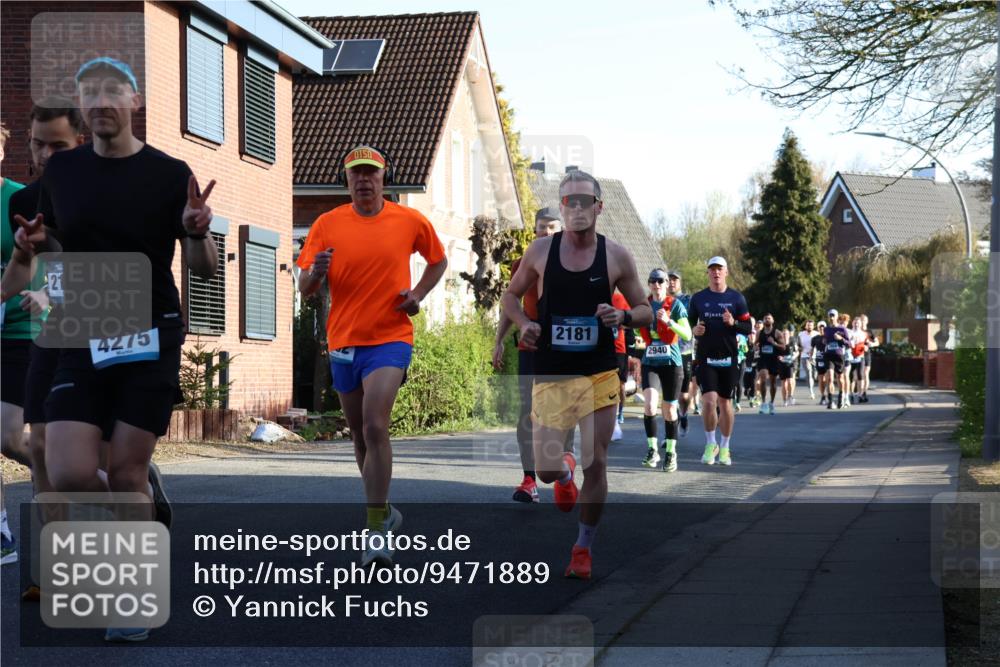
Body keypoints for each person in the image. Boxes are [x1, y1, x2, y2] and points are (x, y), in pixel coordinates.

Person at [12, 58, 217, 642]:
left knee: (124, 466)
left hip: (151, 328)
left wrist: (198, 232)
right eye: (90, 93)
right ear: (82, 107)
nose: (101, 102)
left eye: (112, 92)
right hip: (85, 321)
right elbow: (55, 246)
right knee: (69, 468)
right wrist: (35, 246)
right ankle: (142, 505)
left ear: (134, 101)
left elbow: (202, 270)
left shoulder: (169, 172)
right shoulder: (65, 172)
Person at [297, 145, 447, 567]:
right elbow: (304, 286)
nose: (364, 180)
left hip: (391, 338)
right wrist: (317, 273)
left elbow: (438, 261)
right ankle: (384, 510)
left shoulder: (408, 220)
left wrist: (417, 294)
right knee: (361, 438)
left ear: (384, 178)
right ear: (346, 180)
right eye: (356, 174)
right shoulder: (327, 224)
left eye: (372, 173)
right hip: (344, 341)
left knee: (375, 423)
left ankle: (375, 528)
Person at [502, 169, 651, 580]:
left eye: (585, 201)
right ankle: (563, 472)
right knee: (547, 470)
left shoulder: (617, 255)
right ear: (563, 208)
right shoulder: (540, 251)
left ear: (599, 207)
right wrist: (524, 324)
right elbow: (511, 296)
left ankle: (582, 547)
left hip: (598, 373)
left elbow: (646, 311)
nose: (577, 208)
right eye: (570, 201)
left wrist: (621, 315)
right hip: (552, 374)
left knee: (596, 461)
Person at [1, 98, 86, 581]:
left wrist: (48, 291)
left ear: (80, 144)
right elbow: (24, 266)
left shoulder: (101, 196)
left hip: (98, 331)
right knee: (37, 447)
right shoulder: (22, 203)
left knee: (102, 460)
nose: (47, 155)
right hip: (41, 338)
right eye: (39, 145)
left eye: (58, 145)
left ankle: (133, 486)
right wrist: (25, 281)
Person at [492, 207, 571, 502]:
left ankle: (565, 467)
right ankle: (529, 480)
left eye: (552, 227)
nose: (546, 233)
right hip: (530, 346)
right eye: (542, 227)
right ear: (534, 231)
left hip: (563, 348)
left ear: (561, 230)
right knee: (526, 413)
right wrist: (499, 340)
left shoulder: (574, 264)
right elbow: (510, 303)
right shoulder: (522, 264)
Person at [688, 256, 752, 466]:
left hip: (730, 358)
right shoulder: (698, 298)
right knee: (708, 401)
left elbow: (748, 328)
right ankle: (710, 443)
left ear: (726, 272)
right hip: (706, 358)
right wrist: (694, 330)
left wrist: (733, 323)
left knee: (725, 403)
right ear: (708, 273)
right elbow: (687, 326)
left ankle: (725, 447)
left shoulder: (737, 298)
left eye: (719, 269)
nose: (716, 273)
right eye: (712, 269)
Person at [0, 120, 28, 565]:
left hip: (21, 332)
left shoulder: (18, 200)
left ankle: (109, 478)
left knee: (8, 437)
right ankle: (3, 534)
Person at [636, 268, 691, 472]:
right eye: (653, 281)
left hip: (671, 364)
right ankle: (652, 450)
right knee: (650, 405)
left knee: (668, 409)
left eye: (660, 281)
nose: (656, 285)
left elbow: (686, 333)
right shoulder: (645, 305)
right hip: (650, 361)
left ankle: (670, 451)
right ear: (649, 284)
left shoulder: (675, 305)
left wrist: (669, 322)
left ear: (667, 284)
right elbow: (635, 327)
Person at [666, 269, 694, 437]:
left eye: (674, 279)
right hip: (667, 351)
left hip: (684, 351)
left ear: (680, 282)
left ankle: (683, 415)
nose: (671, 282)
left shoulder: (687, 300)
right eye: (668, 279)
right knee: (670, 395)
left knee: (683, 396)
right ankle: (670, 432)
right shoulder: (662, 300)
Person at [755, 313, 784, 415]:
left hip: (773, 360)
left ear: (773, 321)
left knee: (773, 382)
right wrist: (755, 347)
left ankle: (771, 403)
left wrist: (774, 343)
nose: (767, 320)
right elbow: (755, 344)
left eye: (769, 318)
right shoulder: (759, 333)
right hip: (763, 359)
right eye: (765, 318)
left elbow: (783, 347)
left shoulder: (777, 333)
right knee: (763, 377)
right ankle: (763, 403)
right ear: (763, 321)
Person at [822, 309, 851, 409]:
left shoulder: (842, 329)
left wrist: (840, 339)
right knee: (829, 377)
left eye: (833, 315)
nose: (831, 317)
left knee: (840, 378)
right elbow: (825, 340)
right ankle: (831, 401)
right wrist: (824, 341)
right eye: (830, 315)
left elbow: (849, 344)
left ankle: (841, 397)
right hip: (829, 355)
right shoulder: (826, 329)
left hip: (839, 356)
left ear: (837, 316)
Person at [859, 314, 878, 402]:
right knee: (859, 375)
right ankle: (859, 392)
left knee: (866, 374)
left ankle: (864, 392)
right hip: (858, 355)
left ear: (867, 321)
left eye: (864, 320)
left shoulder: (869, 332)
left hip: (867, 355)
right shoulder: (857, 331)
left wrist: (871, 344)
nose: (863, 322)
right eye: (861, 320)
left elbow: (877, 342)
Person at [849, 316, 867, 403]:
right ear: (852, 323)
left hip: (860, 356)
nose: (856, 324)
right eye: (855, 323)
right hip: (851, 357)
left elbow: (868, 343)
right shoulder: (849, 332)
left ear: (860, 324)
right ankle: (851, 394)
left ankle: (860, 395)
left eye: (858, 323)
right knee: (851, 377)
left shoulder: (864, 334)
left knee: (860, 375)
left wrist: (866, 346)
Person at [779, 324, 798, 407]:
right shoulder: (779, 343)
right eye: (783, 334)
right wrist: (779, 357)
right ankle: (784, 400)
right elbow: (775, 354)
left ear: (789, 334)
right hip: (782, 365)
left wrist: (794, 356)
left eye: (786, 334)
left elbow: (797, 351)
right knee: (783, 383)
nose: (785, 335)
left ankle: (790, 396)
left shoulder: (793, 341)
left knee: (790, 381)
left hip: (790, 364)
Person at [798, 319, 817, 399]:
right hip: (805, 356)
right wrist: (800, 348)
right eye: (808, 325)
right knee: (809, 373)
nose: (809, 326)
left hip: (815, 357)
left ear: (813, 326)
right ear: (805, 326)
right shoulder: (801, 334)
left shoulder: (817, 334)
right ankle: (811, 392)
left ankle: (812, 385)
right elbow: (798, 345)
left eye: (811, 325)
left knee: (814, 375)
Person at [812, 322, 830, 405]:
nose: (822, 329)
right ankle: (823, 396)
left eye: (823, 328)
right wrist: (810, 356)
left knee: (828, 378)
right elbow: (812, 349)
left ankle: (829, 395)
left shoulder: (829, 337)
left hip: (828, 359)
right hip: (819, 359)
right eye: (820, 328)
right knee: (820, 378)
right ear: (818, 328)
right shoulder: (815, 338)